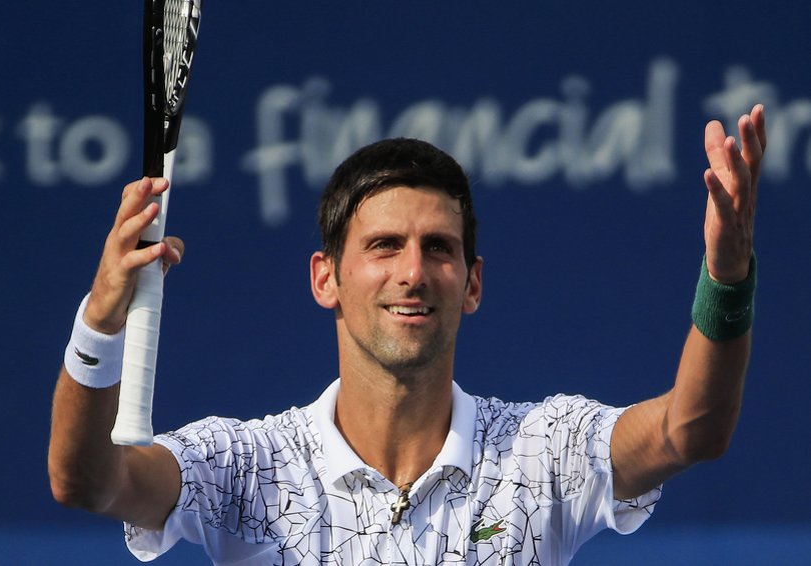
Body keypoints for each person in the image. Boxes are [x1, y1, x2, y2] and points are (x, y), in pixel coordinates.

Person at [49, 105, 767, 566]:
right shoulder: (241, 466)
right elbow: (85, 482)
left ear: (474, 283)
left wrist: (727, 276)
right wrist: (102, 322)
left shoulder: (544, 451)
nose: (414, 273)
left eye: (440, 249)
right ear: (325, 278)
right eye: (385, 245)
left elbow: (688, 432)